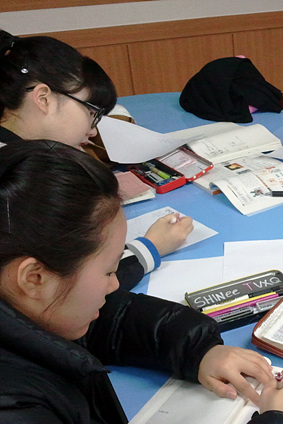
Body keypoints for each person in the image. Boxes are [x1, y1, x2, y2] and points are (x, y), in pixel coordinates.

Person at [0, 139, 283, 424]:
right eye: (108, 271)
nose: (115, 285)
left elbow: (105, 320)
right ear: (34, 278)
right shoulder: (16, 423)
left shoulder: (30, 306)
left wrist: (197, 350)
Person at [0, 30, 193, 290]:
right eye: (92, 112)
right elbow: (73, 289)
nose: (93, 131)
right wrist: (151, 248)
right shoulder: (27, 181)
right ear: (43, 99)